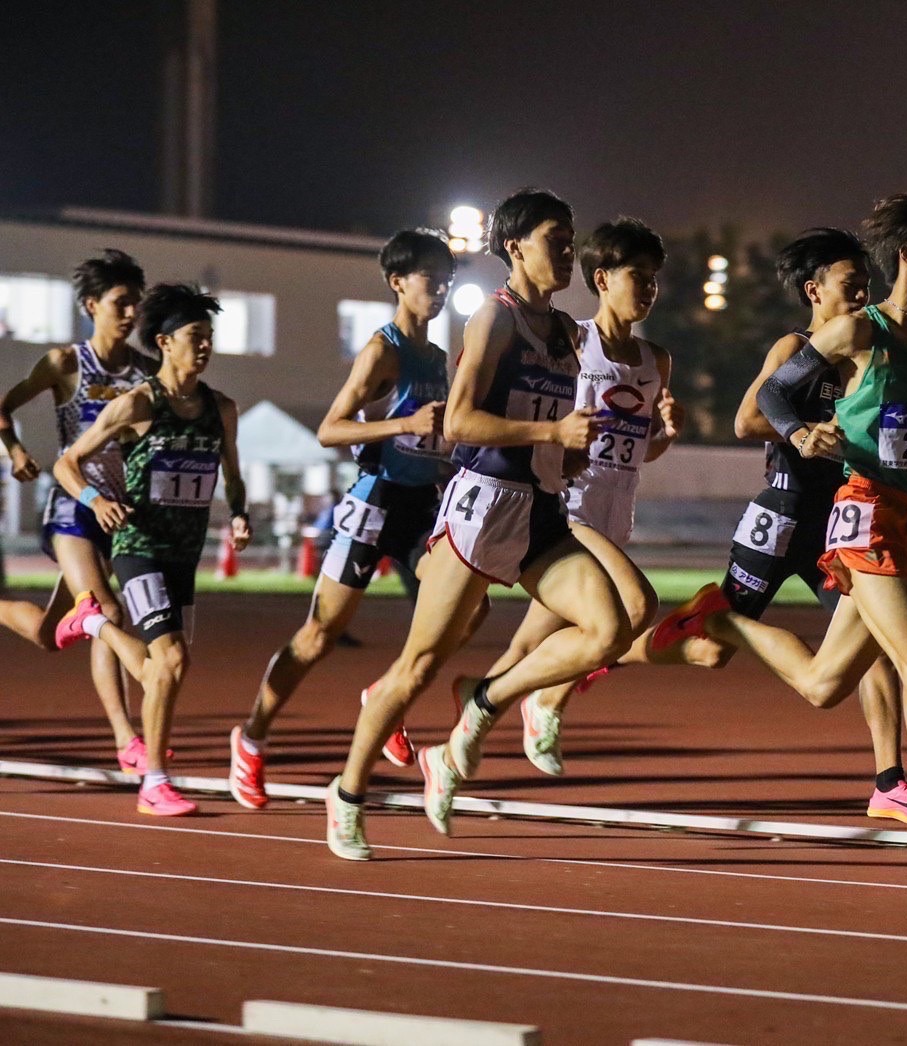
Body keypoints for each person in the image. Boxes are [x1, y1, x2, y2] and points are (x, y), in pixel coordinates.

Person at [650, 191, 907, 874]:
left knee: (825, 684)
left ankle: (724, 623)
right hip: (865, 516)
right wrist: (801, 430)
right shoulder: (859, 332)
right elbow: (772, 395)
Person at [326, 188, 649, 860]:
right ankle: (348, 792)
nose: (566, 250)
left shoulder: (566, 333)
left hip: (538, 512)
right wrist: (549, 428)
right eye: (554, 239)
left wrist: (576, 445)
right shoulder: (494, 322)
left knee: (610, 627)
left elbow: (561, 431)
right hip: (479, 508)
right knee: (415, 669)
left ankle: (482, 700)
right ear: (514, 247)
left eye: (569, 239)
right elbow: (460, 423)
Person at [616, 227, 907, 825]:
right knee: (711, 654)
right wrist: (803, 431)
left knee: (876, 646)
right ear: (814, 291)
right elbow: (744, 420)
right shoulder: (795, 349)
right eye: (851, 284)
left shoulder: (870, 354)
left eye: (867, 284)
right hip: (782, 515)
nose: (863, 293)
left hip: (838, 523)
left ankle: (889, 782)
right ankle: (609, 652)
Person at [230, 229, 483, 810]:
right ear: (398, 282)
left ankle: (383, 693)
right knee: (319, 635)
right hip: (375, 504)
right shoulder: (382, 350)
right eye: (429, 277)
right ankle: (252, 737)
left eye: (447, 278)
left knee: (469, 611)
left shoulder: (442, 360)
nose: (441, 288)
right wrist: (402, 425)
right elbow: (330, 428)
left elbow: (437, 433)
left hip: (423, 507)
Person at [468, 217, 685, 778]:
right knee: (636, 608)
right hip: (570, 503)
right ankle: (544, 704)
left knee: (530, 649)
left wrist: (665, 432)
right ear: (601, 278)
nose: (649, 289)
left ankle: (455, 732)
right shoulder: (573, 339)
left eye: (655, 279)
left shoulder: (656, 360)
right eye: (637, 276)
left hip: (617, 510)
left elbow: (643, 451)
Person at [53, 283, 252, 816]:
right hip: (137, 545)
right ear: (164, 343)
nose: (205, 346)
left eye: (209, 337)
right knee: (171, 658)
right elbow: (66, 463)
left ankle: (91, 624)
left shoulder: (221, 408)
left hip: (183, 553)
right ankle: (154, 781)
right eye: (195, 336)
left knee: (160, 671)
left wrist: (238, 514)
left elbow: (233, 473)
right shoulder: (137, 404)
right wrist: (95, 500)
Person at [0, 250, 151, 770]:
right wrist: (16, 450)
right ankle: (127, 740)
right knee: (107, 611)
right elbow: (2, 406)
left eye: (137, 304)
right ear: (92, 305)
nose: (131, 314)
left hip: (121, 513)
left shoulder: (146, 371)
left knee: (48, 634)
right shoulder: (66, 363)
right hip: (74, 507)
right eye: (121, 303)